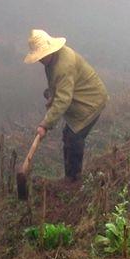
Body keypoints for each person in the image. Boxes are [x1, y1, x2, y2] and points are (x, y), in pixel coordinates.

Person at [23, 29, 108, 182]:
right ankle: (69, 177)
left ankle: (74, 180)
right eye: (39, 58)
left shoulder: (63, 65)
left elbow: (63, 100)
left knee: (74, 138)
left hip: (90, 102)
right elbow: (57, 86)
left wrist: (45, 124)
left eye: (42, 56)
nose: (40, 60)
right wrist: (51, 95)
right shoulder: (52, 60)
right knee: (68, 136)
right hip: (79, 99)